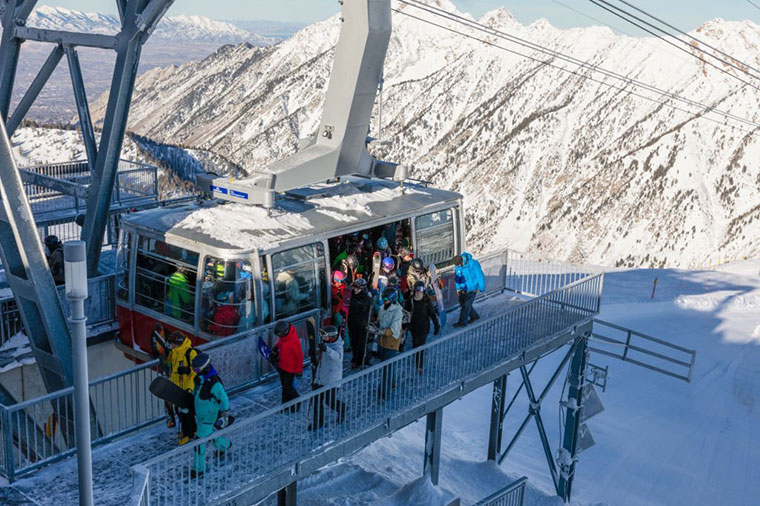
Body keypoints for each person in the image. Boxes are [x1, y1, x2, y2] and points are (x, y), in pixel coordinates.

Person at [190, 353, 231, 478]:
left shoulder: (214, 383)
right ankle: (225, 445)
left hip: (209, 416)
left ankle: (198, 469)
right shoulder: (199, 379)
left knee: (199, 442)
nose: (195, 372)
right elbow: (196, 394)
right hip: (201, 414)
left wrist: (225, 414)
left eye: (197, 369)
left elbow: (224, 399)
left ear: (205, 368)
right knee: (212, 436)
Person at [310, 326, 346, 430]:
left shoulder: (338, 346)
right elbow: (320, 361)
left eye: (324, 336)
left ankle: (341, 408)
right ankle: (317, 423)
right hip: (321, 378)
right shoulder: (325, 344)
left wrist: (327, 350)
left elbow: (337, 357)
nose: (322, 338)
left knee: (329, 401)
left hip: (332, 381)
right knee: (317, 402)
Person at [168, 331, 198, 445]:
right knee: (179, 410)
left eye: (174, 344)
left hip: (188, 386)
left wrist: (187, 370)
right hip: (177, 385)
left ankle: (188, 434)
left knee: (185, 411)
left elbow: (196, 370)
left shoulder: (190, 352)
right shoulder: (175, 352)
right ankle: (192, 430)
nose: (172, 346)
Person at [405, 281, 440, 373]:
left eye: (421, 290)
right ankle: (417, 357)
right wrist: (406, 324)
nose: (419, 292)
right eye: (417, 290)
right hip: (414, 327)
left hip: (424, 327)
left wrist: (436, 325)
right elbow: (406, 313)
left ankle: (419, 365)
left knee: (421, 345)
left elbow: (432, 314)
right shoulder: (411, 300)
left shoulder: (426, 300)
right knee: (415, 344)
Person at [376, 288, 403, 401]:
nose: (384, 301)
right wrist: (374, 325)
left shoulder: (397, 311)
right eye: (383, 299)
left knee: (387, 369)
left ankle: (383, 393)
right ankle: (391, 384)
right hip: (381, 342)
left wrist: (380, 331)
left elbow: (393, 329)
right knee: (386, 365)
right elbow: (379, 320)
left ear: (392, 300)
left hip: (391, 343)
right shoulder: (382, 308)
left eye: (387, 299)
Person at [273, 320, 304, 409]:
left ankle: (297, 400)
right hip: (282, 365)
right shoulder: (284, 337)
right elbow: (280, 341)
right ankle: (285, 405)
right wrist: (276, 347)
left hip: (290, 369)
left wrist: (299, 371)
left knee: (288, 387)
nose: (279, 337)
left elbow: (299, 357)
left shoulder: (294, 341)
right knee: (284, 387)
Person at [453, 253, 485, 328]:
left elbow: (479, 275)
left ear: (462, 260)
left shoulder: (473, 263)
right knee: (462, 303)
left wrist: (482, 287)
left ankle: (462, 322)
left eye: (460, 264)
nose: (459, 266)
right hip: (463, 288)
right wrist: (458, 288)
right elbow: (457, 278)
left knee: (466, 305)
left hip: (472, 287)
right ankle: (474, 316)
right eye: (457, 265)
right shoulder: (458, 266)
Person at [347, 278, 372, 368]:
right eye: (354, 287)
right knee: (354, 343)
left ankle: (362, 359)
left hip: (362, 324)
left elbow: (369, 310)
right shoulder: (352, 296)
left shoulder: (366, 298)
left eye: (357, 288)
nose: (355, 290)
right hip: (352, 323)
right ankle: (356, 359)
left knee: (361, 343)